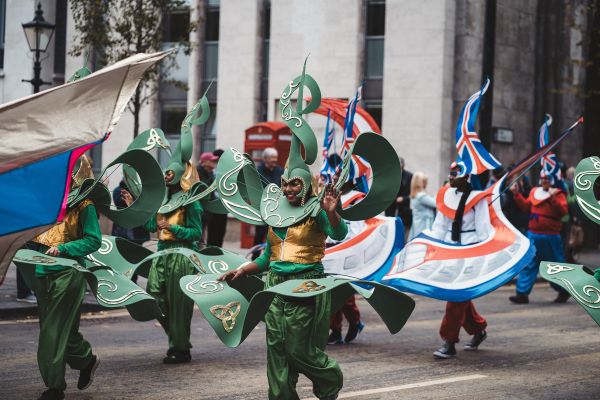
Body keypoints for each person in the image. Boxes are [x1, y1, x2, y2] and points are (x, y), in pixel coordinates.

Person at [219, 178, 347, 400]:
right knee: (277, 350)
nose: (287, 189)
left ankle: (329, 378)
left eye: (294, 184)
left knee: (296, 349)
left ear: (306, 186)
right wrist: (243, 270)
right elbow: (268, 257)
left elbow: (339, 234)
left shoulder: (317, 211)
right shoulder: (275, 214)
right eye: (285, 184)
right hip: (275, 287)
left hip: (305, 285)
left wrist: (332, 212)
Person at [28, 155, 102, 400]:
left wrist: (65, 249)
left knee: (53, 329)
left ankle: (54, 387)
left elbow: (94, 240)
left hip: (69, 273)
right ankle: (86, 360)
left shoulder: (85, 204)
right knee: (63, 330)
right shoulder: (47, 200)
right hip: (41, 271)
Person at [124, 163, 203, 364]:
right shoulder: (163, 199)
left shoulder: (191, 202)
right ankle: (179, 339)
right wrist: (135, 207)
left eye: (169, 173)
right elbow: (152, 226)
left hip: (183, 255)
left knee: (179, 305)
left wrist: (173, 228)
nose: (166, 177)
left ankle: (180, 348)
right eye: (165, 173)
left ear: (179, 176)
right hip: (161, 254)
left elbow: (196, 233)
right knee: (154, 296)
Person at [430, 163, 491, 359]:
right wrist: (432, 248)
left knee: (456, 296)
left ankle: (449, 341)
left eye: (455, 174)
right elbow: (440, 226)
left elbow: (483, 229)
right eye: (450, 173)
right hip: (450, 250)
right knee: (460, 296)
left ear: (465, 177)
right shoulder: (446, 195)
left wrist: (484, 255)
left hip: (469, 251)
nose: (450, 177)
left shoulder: (477, 199)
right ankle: (478, 328)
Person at [509, 170, 570, 304]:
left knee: (554, 266)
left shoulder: (558, 193)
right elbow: (525, 207)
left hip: (550, 237)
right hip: (533, 235)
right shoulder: (534, 192)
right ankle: (522, 294)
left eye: (547, 178)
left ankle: (563, 290)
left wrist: (552, 198)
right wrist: (516, 194)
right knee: (528, 263)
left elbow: (563, 211)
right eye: (542, 178)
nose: (544, 181)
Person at [253, 148, 285, 254]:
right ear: (265, 159)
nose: (274, 160)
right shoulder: (258, 171)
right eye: (272, 158)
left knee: (274, 235)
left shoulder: (280, 171)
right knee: (259, 235)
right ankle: (254, 259)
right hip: (262, 208)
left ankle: (272, 258)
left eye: (275, 157)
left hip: (276, 208)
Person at [206, 149, 228, 247]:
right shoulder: (212, 171)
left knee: (221, 231)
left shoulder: (224, 170)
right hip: (213, 205)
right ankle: (211, 251)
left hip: (223, 205)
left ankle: (219, 250)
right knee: (213, 231)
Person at [385, 157, 413, 233]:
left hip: (404, 206)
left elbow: (412, 192)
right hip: (391, 204)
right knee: (390, 224)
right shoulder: (390, 175)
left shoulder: (409, 176)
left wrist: (404, 198)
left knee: (402, 226)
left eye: (400, 167)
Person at [408, 171, 436, 240]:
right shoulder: (421, 196)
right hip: (423, 226)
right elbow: (436, 204)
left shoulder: (415, 195)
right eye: (425, 181)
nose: (427, 183)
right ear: (420, 183)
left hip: (417, 225)